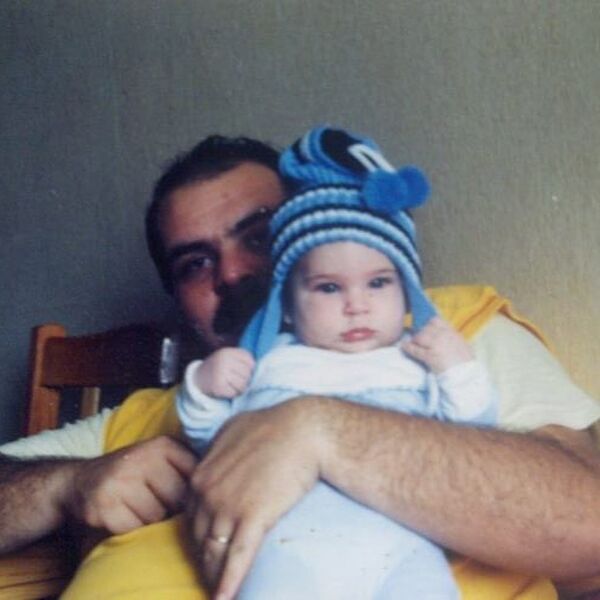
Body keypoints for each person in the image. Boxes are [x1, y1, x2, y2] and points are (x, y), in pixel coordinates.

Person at [0, 128, 599, 600]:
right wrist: (66, 486)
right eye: (195, 264)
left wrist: (321, 431)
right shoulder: (152, 414)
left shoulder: (448, 340)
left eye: (257, 237)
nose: (231, 273)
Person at [176, 127, 499, 599]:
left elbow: (474, 433)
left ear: (407, 288)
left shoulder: (415, 359)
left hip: (404, 548)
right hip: (287, 548)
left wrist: (458, 370)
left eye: (379, 283)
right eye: (329, 287)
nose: (357, 305)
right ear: (287, 305)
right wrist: (204, 389)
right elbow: (215, 442)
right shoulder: (270, 362)